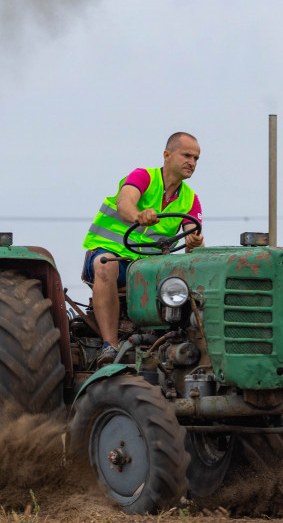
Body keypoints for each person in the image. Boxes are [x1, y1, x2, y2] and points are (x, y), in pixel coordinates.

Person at [82, 132, 204, 361]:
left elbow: (193, 234)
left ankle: (181, 343)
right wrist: (138, 215)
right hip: (112, 258)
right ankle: (109, 345)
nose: (192, 162)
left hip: (148, 270)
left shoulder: (190, 199)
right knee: (104, 265)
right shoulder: (143, 177)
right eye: (186, 155)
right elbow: (124, 203)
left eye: (196, 158)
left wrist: (194, 240)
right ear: (167, 155)